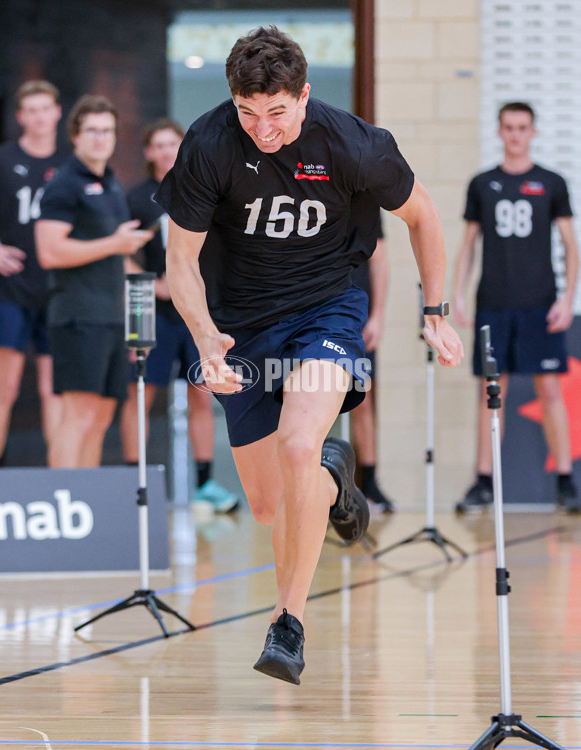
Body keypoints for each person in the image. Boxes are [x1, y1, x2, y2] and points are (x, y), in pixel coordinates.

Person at [157, 26, 463, 684]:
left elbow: (424, 216)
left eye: (276, 113)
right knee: (270, 504)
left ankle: (286, 623)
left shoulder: (353, 143)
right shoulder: (210, 143)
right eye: (248, 112)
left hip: (328, 307)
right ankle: (334, 481)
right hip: (242, 324)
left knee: (297, 444)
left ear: (303, 96)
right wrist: (207, 336)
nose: (262, 129)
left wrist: (435, 311)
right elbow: (179, 263)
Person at [452, 101, 579, 514]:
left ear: (533, 132)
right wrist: (457, 294)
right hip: (494, 303)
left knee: (549, 390)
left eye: (523, 127)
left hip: (539, 305)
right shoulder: (482, 183)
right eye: (509, 127)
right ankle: (483, 480)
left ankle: (565, 480)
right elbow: (468, 246)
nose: (516, 135)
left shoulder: (552, 183)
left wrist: (566, 299)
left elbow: (569, 245)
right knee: (492, 392)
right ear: (500, 130)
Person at [120, 118, 238, 513]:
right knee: (141, 392)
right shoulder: (137, 198)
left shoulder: (199, 188)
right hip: (149, 308)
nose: (167, 151)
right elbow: (120, 252)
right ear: (148, 152)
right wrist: (154, 286)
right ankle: (133, 483)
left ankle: (205, 484)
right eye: (159, 145)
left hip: (195, 312)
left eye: (174, 143)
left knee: (201, 394)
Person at [35, 94, 153, 468]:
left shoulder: (112, 185)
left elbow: (121, 262)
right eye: (92, 131)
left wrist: (141, 327)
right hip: (77, 316)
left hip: (113, 319)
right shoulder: (64, 184)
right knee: (79, 415)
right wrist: (114, 243)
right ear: (75, 135)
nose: (101, 138)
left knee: (101, 419)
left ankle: (83, 509)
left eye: (107, 131)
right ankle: (62, 509)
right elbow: (49, 251)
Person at [0, 80, 65, 467]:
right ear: (19, 117)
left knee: (53, 389)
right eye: (29, 110)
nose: (38, 116)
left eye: (44, 108)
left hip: (54, 289)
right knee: (6, 384)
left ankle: (57, 478)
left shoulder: (70, 164)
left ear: (57, 112)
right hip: (9, 288)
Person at [350, 213, 394, 513]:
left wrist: (377, 316)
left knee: (361, 399)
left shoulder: (365, 198)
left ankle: (369, 482)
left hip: (356, 316)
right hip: (311, 310)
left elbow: (379, 262)